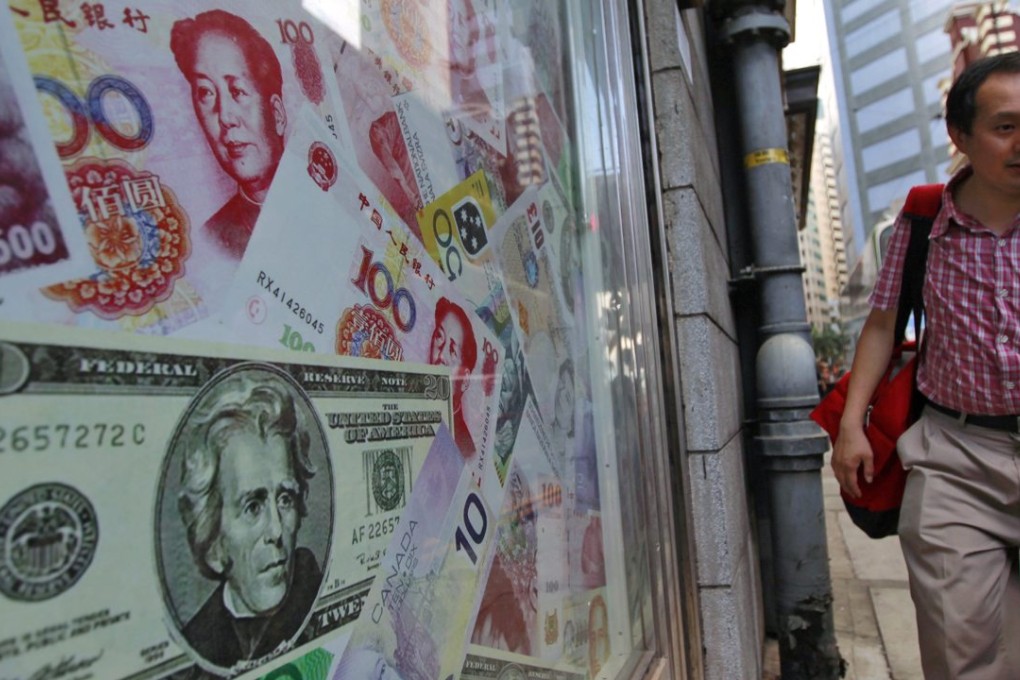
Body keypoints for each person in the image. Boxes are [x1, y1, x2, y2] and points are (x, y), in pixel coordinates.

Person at [831, 52, 1020, 679]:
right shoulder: (921, 221)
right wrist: (853, 426)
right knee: (962, 653)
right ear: (960, 136)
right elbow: (882, 325)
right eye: (1005, 126)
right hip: (956, 457)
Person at [177, 375, 321, 670]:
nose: (277, 530)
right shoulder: (197, 642)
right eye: (253, 506)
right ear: (213, 537)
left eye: (285, 499)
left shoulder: (311, 586)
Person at [170, 10, 286, 259]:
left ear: (277, 113)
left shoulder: (335, 199)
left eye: (237, 91)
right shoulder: (211, 241)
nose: (224, 117)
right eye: (206, 93)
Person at [429, 297, 478, 459]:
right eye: (439, 336)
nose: (441, 355)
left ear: (464, 381)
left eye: (452, 350)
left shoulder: (464, 449)